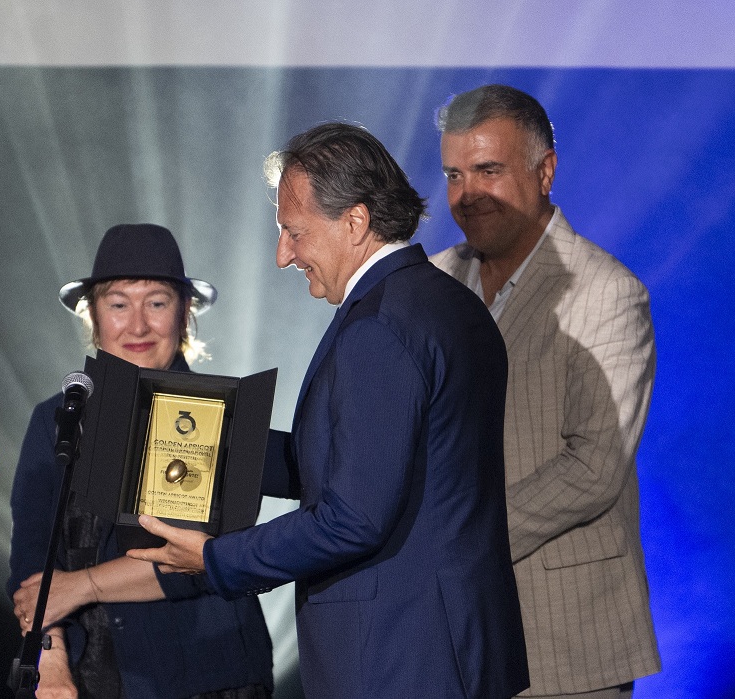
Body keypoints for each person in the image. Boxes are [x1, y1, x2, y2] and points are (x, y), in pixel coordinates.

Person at [128, 123, 530, 698]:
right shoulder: (451, 304)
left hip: (397, 657)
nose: (283, 255)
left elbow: (354, 518)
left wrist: (219, 558)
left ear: (356, 222)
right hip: (452, 648)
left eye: (294, 232)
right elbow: (370, 466)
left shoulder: (379, 327)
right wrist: (196, 441)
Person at [430, 84, 661, 698]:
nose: (467, 193)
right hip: (442, 639)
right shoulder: (430, 282)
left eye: (488, 170)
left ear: (545, 171)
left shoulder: (607, 292)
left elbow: (593, 468)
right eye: (454, 174)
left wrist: (453, 542)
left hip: (565, 642)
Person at [8, 223, 274, 699]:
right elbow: (31, 561)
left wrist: (82, 585)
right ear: (93, 314)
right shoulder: (56, 418)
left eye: (156, 303)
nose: (137, 326)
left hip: (209, 677)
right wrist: (51, 661)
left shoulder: (220, 413)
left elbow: (200, 560)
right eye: (118, 305)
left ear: (185, 312)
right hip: (91, 679)